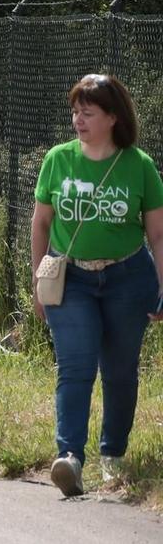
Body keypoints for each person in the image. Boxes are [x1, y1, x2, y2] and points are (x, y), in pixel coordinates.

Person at [30, 73, 163, 497]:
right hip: (72, 280)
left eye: (87, 113)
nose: (77, 120)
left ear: (112, 117)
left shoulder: (139, 165)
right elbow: (41, 222)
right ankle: (70, 457)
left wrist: (162, 285)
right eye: (75, 112)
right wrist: (38, 278)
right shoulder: (57, 159)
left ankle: (114, 454)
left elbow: (157, 235)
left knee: (120, 372)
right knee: (76, 367)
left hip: (129, 277)